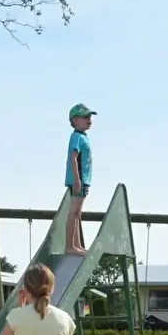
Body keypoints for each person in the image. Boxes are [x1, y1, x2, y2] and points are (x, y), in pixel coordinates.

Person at [63, 104, 94, 255]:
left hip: (84, 179)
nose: (89, 120)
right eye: (85, 117)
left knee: (78, 213)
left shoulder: (83, 137)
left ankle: (76, 244)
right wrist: (76, 179)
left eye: (90, 117)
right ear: (75, 120)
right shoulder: (76, 137)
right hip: (79, 178)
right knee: (74, 212)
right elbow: (73, 158)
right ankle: (70, 246)